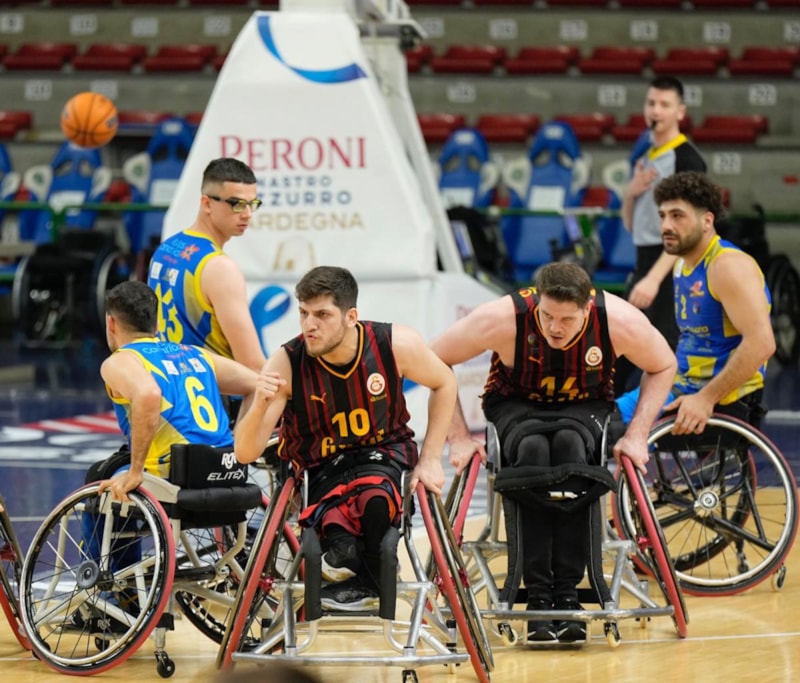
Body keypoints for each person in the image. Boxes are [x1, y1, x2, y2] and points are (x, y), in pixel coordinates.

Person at [430, 261, 676, 644]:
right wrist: (458, 436)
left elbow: (663, 365)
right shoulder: (504, 318)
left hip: (583, 405)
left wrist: (638, 435)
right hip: (516, 404)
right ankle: (537, 593)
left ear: (587, 308)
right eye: (547, 316)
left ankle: (567, 591)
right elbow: (435, 360)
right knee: (532, 450)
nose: (554, 328)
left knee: (570, 447)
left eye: (566, 319)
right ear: (537, 302)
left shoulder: (618, 321)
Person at [234, 266, 457, 610]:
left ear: (351, 317)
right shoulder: (286, 362)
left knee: (375, 496)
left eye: (322, 315)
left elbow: (444, 382)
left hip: (384, 457)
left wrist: (430, 460)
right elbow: (245, 453)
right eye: (304, 314)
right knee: (339, 539)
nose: (309, 325)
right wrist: (260, 403)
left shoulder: (393, 344)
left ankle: (365, 578)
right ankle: (352, 566)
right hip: (321, 470)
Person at [93, 280, 257, 502]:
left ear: (111, 324)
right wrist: (237, 443)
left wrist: (135, 471)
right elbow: (258, 385)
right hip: (227, 467)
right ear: (157, 325)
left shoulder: (121, 360)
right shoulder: (195, 353)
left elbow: (148, 395)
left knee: (99, 479)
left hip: (175, 472)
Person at [654, 171, 775, 433]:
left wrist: (706, 399)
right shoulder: (682, 265)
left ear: (707, 221)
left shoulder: (727, 266)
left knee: (608, 432)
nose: (666, 226)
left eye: (677, 216)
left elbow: (762, 344)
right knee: (595, 420)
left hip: (719, 400)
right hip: (681, 387)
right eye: (662, 216)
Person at [617, 75, 706, 394]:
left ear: (680, 112)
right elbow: (630, 224)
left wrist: (654, 280)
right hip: (643, 261)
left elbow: (686, 233)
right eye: (651, 103)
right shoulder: (646, 157)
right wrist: (631, 193)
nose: (656, 110)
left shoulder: (687, 160)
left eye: (665, 105)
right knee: (623, 344)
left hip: (671, 266)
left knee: (665, 348)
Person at [147, 157, 266, 373]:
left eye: (252, 204)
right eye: (237, 204)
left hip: (171, 381)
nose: (247, 214)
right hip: (211, 389)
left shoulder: (165, 249)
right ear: (207, 203)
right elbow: (252, 364)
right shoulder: (220, 268)